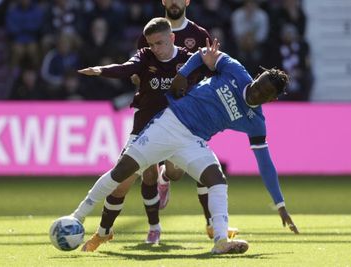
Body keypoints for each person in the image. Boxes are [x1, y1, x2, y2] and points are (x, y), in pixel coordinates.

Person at [71, 37, 299, 255]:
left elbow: (265, 163)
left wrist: (279, 203)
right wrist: (182, 74)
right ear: (256, 77)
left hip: (193, 141)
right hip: (170, 124)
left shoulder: (256, 122)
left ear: (271, 100)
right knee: (121, 172)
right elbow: (203, 55)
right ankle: (78, 216)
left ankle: (220, 240)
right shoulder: (236, 71)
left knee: (216, 179)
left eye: (263, 94)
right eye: (258, 85)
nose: (256, 91)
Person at [75, 17, 209, 251]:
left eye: (160, 43)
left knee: (177, 174)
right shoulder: (145, 56)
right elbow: (125, 68)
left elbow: (213, 78)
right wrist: (99, 70)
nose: (155, 48)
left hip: (176, 131)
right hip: (144, 129)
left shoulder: (189, 61)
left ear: (172, 38)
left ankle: (166, 179)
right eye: (151, 44)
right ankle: (104, 232)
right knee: (121, 183)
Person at [137, 0, 239, 241]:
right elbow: (138, 70)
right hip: (153, 111)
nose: (173, 2)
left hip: (186, 116)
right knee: (147, 173)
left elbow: (209, 71)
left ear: (187, 1)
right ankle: (155, 228)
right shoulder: (150, 33)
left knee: (178, 172)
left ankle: (169, 181)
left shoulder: (199, 34)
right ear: (163, 1)